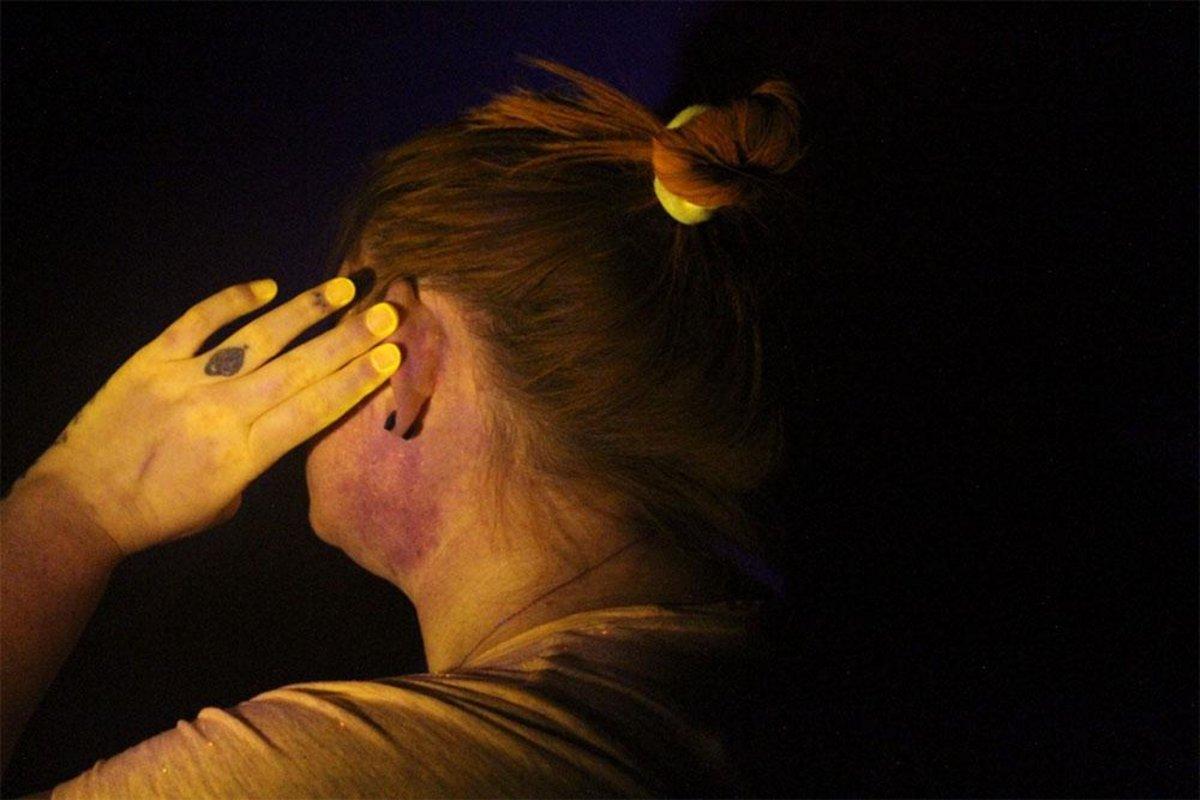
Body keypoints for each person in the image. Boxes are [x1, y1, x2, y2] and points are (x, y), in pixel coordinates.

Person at [1, 57, 804, 798]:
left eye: (339, 307)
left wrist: (75, 505)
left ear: (406, 356)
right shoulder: (769, 685)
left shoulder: (369, 772)